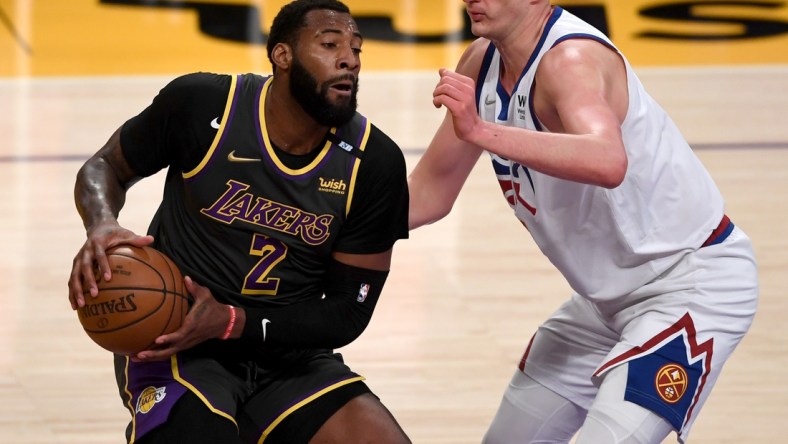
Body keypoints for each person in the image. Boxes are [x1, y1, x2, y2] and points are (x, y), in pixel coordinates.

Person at [408, 1, 758, 443]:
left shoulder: (570, 60)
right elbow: (428, 193)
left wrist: (482, 131)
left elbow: (608, 159)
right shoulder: (481, 64)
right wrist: (323, 221)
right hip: (600, 304)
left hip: (689, 286)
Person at [67, 1, 411, 443]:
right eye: (329, 44)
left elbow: (349, 311)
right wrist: (100, 224)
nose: (350, 59)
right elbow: (104, 167)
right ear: (282, 56)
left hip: (289, 355)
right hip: (179, 340)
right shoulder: (203, 105)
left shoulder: (374, 163)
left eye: (356, 48)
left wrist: (233, 321)